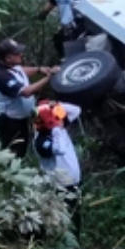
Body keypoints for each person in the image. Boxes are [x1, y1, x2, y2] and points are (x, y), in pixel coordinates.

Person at [0, 38, 59, 158]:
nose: (21, 54)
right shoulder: (1, 76)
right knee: (14, 152)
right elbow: (26, 92)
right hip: (10, 123)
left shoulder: (10, 65)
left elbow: (21, 71)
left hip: (20, 119)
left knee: (22, 146)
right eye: (17, 53)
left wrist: (39, 70)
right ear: (8, 58)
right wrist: (48, 78)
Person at [34, 99, 83, 232]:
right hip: (61, 186)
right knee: (66, 218)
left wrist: (55, 106)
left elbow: (76, 110)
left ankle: (76, 244)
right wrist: (56, 127)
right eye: (56, 116)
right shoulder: (41, 141)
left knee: (75, 215)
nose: (61, 119)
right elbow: (59, 149)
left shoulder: (57, 126)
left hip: (74, 181)